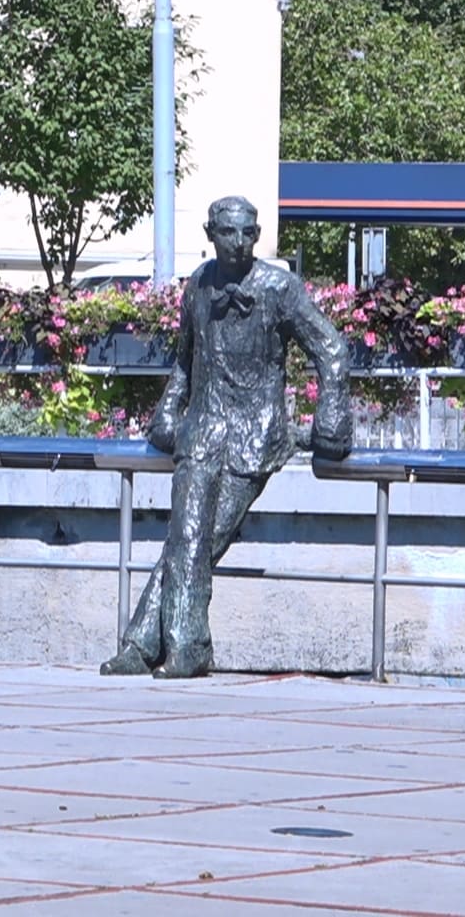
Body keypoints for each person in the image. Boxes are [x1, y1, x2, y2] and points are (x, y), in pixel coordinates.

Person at [101, 196, 352, 679]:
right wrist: (167, 413)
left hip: (255, 436)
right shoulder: (197, 285)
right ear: (209, 233)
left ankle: (162, 644)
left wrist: (331, 422)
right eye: (228, 233)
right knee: (186, 537)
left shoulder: (280, 287)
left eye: (248, 234)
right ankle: (158, 646)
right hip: (201, 430)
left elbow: (332, 349)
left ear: (257, 236)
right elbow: (185, 360)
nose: (238, 243)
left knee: (197, 539)